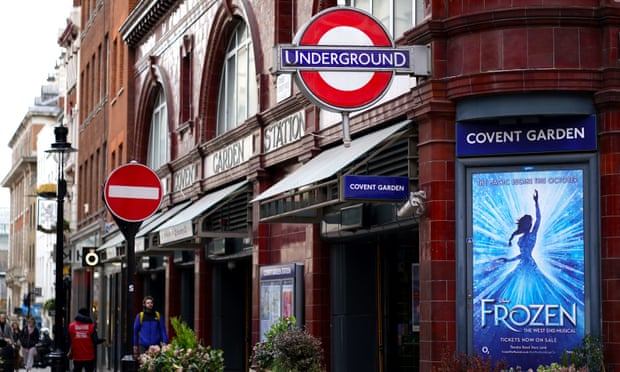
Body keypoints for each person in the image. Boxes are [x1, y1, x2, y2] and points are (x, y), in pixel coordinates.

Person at [68, 308, 105, 372]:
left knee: (77, 369)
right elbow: (95, 341)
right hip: (89, 356)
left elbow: (68, 340)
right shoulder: (91, 327)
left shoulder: (71, 326)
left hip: (77, 356)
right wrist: (103, 340)